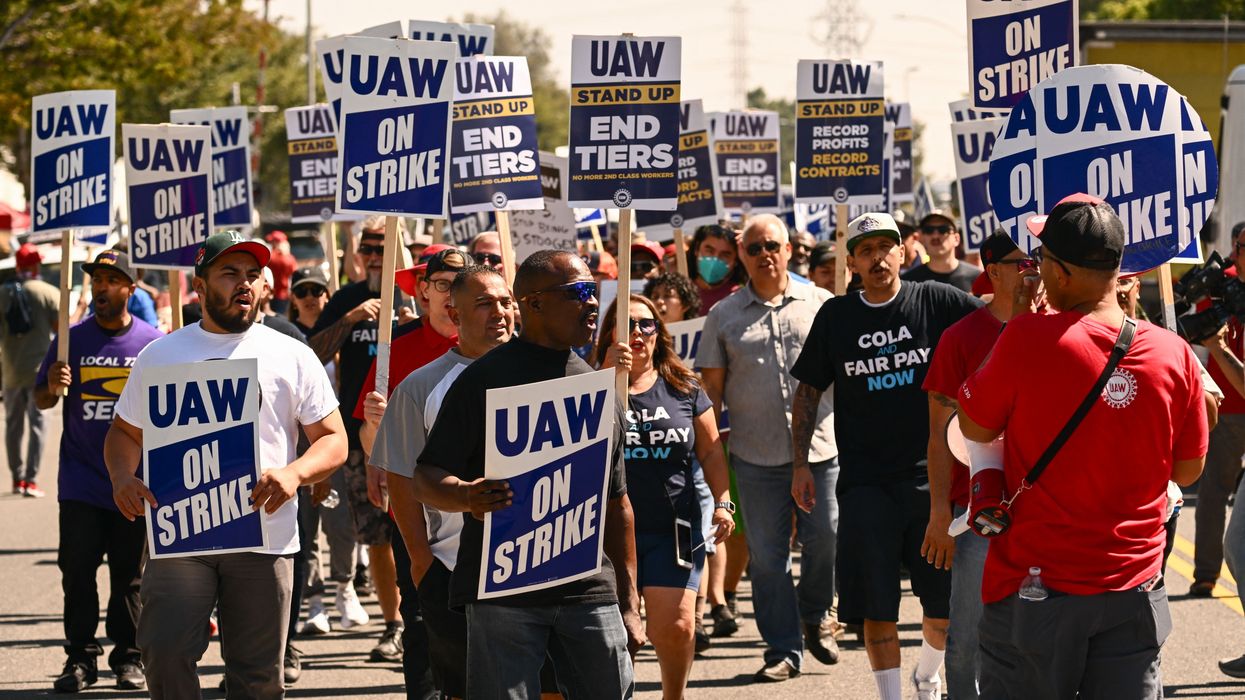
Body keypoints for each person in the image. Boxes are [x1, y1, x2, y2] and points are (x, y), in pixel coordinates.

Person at [958, 194, 1207, 698]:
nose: (1037, 270)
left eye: (1042, 260)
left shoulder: (1028, 339)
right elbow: (1187, 471)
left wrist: (1018, 326)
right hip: (1134, 586)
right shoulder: (1173, 351)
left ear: (1063, 273)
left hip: (1039, 588)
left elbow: (976, 428)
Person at [104, 230, 348, 699]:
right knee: (164, 651)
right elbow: (124, 432)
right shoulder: (160, 355)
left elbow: (333, 439)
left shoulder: (292, 354)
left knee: (258, 677)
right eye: (230, 273)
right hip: (181, 538)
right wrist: (121, 475)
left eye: (253, 275)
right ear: (200, 286)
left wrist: (295, 473)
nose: (245, 283)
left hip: (264, 535)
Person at [412, 250, 643, 698]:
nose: (593, 303)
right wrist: (465, 495)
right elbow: (425, 476)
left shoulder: (598, 388)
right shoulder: (482, 380)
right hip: (504, 593)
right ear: (533, 304)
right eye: (577, 293)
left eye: (593, 292)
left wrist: (630, 603)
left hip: (588, 592)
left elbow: (618, 503)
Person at [791, 212, 981, 700]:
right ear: (851, 261)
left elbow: (995, 324)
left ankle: (929, 675)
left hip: (933, 483)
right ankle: (892, 695)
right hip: (865, 485)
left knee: (941, 605)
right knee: (876, 609)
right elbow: (808, 391)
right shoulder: (836, 316)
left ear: (903, 250)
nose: (878, 258)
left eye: (886, 247)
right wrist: (800, 466)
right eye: (866, 250)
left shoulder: (937, 301)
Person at [696, 214, 840, 682]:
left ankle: (816, 614)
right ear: (742, 254)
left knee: (827, 538)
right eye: (754, 248)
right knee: (768, 557)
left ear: (789, 249)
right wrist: (706, 454)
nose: (764, 255)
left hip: (821, 452)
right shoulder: (723, 316)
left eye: (771, 245)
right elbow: (710, 394)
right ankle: (782, 648)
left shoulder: (821, 304)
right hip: (754, 458)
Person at [369, 265, 515, 698]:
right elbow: (400, 474)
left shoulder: (545, 373)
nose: (500, 312)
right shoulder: (421, 387)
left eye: (506, 302)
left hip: (534, 569)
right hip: (452, 569)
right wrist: (421, 560)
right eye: (485, 303)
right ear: (454, 312)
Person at [33, 250, 163, 692]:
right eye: (96, 280)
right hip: (80, 482)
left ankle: (128, 659)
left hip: (132, 483)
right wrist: (51, 387)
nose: (100, 288)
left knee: (130, 577)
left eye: (111, 280)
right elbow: (41, 401)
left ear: (131, 287)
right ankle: (80, 660)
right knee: (77, 571)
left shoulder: (151, 342)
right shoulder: (70, 340)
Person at [595, 294, 735, 697]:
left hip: (672, 528)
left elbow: (710, 450)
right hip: (607, 534)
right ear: (609, 334)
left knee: (676, 627)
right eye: (627, 325)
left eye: (646, 324)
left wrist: (723, 503)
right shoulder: (586, 381)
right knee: (621, 635)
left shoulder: (685, 386)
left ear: (659, 333)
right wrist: (604, 376)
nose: (637, 333)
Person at [919, 233, 1040, 699]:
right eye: (1021, 261)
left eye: (1038, 259)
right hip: (975, 516)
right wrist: (938, 516)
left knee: (1036, 634)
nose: (1033, 268)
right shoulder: (961, 337)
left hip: (1044, 512)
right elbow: (938, 436)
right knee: (967, 636)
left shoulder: (1061, 327)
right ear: (993, 270)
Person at [356, 248, 462, 685]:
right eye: (442, 284)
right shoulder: (397, 353)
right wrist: (376, 425)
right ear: (423, 291)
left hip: (481, 508)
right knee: (420, 617)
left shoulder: (497, 348)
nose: (452, 293)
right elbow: (369, 441)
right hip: (416, 512)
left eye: (462, 283)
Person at [308, 217, 404, 633]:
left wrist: (408, 320)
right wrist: (349, 319)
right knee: (376, 533)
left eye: (383, 249)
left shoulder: (414, 297)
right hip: (358, 436)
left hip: (413, 434)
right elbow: (311, 354)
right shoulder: (347, 298)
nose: (374, 257)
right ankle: (393, 623)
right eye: (368, 249)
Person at [1191, 221, 1245, 597]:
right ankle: (1206, 575)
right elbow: (1199, 337)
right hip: (1226, 404)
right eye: (1241, 246)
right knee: (1213, 491)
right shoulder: (1218, 283)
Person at [1, 241, 59, 497]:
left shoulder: (2, 293)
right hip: (39, 371)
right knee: (38, 425)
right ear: (36, 264)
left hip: (11, 370)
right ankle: (31, 481)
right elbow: (61, 331)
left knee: (13, 427)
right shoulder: (48, 292)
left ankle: (16, 478)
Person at [901, 212, 980, 292]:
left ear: (956, 239)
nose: (935, 236)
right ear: (923, 239)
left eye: (943, 229)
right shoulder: (908, 282)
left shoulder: (977, 277)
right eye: (929, 230)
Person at [688, 224, 747, 316]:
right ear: (696, 249)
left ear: (736, 259)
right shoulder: (677, 294)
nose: (715, 259)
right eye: (709, 251)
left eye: (725, 255)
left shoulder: (743, 298)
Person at [265, 231, 297, 315]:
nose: (271, 243)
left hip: (270, 294)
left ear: (276, 243)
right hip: (285, 295)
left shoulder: (270, 257)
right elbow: (294, 275)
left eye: (272, 241)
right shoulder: (290, 258)